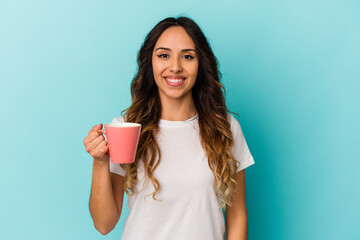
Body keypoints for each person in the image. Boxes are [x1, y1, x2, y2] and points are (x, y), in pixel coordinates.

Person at [84, 16, 255, 240]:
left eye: (187, 56)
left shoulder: (224, 127)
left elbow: (237, 215)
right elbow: (104, 224)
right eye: (164, 55)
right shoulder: (126, 128)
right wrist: (100, 162)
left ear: (200, 64)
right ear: (150, 63)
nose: (175, 67)